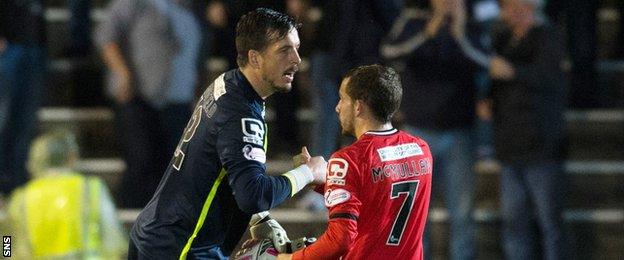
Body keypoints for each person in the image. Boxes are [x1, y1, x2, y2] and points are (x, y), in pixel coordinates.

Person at [128, 8, 327, 259]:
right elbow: (253, 195)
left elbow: (221, 165)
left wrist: (259, 218)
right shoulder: (241, 112)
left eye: (297, 48)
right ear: (255, 58)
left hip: (159, 233)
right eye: (284, 50)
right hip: (182, 248)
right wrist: (308, 173)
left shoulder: (230, 83)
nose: (297, 59)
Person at [278, 65, 433, 260]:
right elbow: (380, 196)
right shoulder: (421, 149)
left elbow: (340, 240)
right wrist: (323, 183)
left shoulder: (347, 160)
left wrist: (292, 259)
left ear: (358, 106)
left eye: (342, 99)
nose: (337, 107)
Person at [380, 0, 488, 258]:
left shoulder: (470, 26)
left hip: (459, 131)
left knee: (461, 212)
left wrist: (460, 33)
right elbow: (389, 52)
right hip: (419, 133)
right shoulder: (414, 19)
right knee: (416, 211)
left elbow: (486, 63)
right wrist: (428, 32)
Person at [96, 0, 203, 208]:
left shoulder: (188, 8)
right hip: (138, 98)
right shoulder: (133, 3)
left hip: (177, 101)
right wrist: (122, 73)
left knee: (172, 169)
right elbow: (105, 36)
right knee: (141, 163)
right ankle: (132, 223)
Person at [486, 0, 569, 259]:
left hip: (542, 147)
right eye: (510, 7)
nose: (515, 12)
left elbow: (548, 79)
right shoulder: (502, 40)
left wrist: (512, 72)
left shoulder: (549, 38)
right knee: (514, 223)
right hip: (510, 146)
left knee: (549, 223)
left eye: (521, 7)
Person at [7, 130, 127, 259]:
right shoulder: (91, 188)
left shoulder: (20, 198)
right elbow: (114, 241)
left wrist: (5, 253)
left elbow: (6, 243)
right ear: (71, 157)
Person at [0, 0, 47, 197]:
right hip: (10, 48)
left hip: (34, 47)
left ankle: (16, 183)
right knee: (4, 120)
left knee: (25, 123)